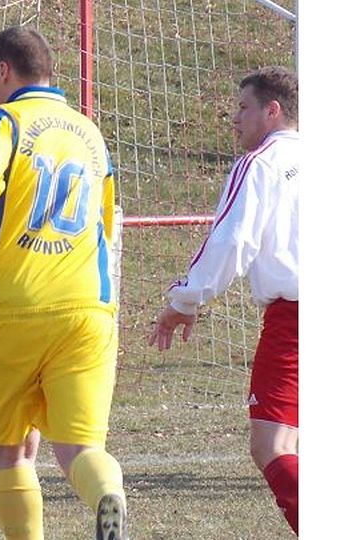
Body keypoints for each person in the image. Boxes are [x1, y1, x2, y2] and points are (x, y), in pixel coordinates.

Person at [0, 26, 127, 540]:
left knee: (10, 446)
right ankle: (107, 493)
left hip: (15, 306)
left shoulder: (3, 120)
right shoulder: (89, 131)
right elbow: (105, 219)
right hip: (88, 307)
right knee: (81, 447)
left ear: (3, 71)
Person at [149, 66, 298, 535]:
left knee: (271, 446)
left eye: (243, 108)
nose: (234, 119)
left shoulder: (261, 164)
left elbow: (232, 241)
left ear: (271, 111)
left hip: (297, 320)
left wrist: (185, 301)